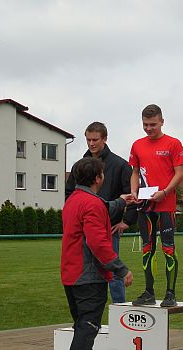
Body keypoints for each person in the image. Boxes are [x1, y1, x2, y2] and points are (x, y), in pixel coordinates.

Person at [58, 157, 134, 350]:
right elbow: (98, 243)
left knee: (83, 325)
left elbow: (102, 208)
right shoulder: (92, 204)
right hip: (89, 277)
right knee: (88, 327)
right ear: (99, 178)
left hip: (70, 274)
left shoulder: (73, 200)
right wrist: (121, 270)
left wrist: (122, 201)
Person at [65, 121, 136, 303]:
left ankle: (119, 310)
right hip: (82, 228)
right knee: (84, 269)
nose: (91, 144)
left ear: (104, 139)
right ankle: (87, 307)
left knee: (113, 271)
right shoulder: (79, 165)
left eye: (95, 140)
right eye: (88, 140)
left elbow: (131, 194)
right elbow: (69, 192)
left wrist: (127, 221)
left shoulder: (120, 165)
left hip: (111, 227)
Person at [129, 104, 183, 307]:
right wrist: (134, 191)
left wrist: (165, 192)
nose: (149, 128)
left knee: (168, 248)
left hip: (165, 204)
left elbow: (180, 174)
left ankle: (170, 294)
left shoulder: (173, 143)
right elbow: (135, 172)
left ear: (162, 121)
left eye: (153, 124)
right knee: (147, 248)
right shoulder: (137, 145)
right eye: (145, 124)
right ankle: (149, 292)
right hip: (145, 205)